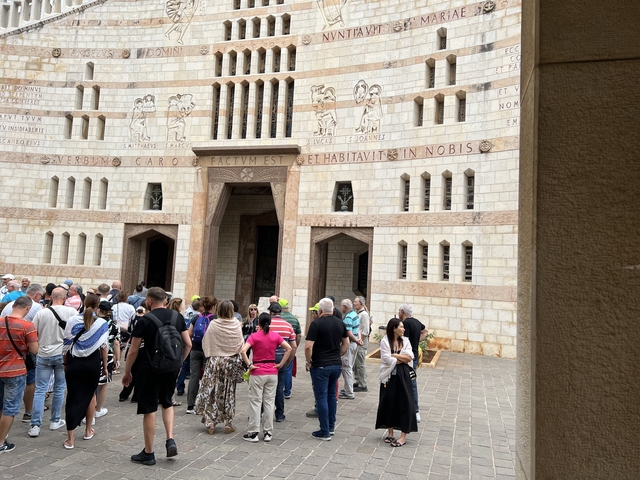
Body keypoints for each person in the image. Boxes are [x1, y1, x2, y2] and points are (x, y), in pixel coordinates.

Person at [122, 287, 191, 466]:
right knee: (166, 403)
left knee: (149, 408)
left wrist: (127, 371)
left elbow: (133, 351)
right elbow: (188, 344)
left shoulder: (145, 321)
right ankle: (170, 438)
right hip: (171, 368)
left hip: (149, 368)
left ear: (150, 301)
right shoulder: (178, 317)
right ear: (166, 301)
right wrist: (178, 362)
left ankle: (149, 452)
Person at [28, 287, 77, 437]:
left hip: (43, 353)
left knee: (40, 389)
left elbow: (33, 333)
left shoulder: (41, 313)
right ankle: (55, 420)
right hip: (63, 355)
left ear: (50, 297)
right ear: (64, 297)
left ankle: (35, 425)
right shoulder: (72, 312)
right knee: (60, 387)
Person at [62, 293, 108, 449]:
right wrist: (106, 368)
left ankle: (70, 439)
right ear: (98, 306)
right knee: (90, 396)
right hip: (92, 365)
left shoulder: (72, 321)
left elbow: (66, 346)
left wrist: (65, 364)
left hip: (75, 364)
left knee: (72, 398)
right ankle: (88, 430)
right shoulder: (102, 323)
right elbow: (103, 347)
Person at [240, 312, 291, 442]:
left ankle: (253, 432)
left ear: (259, 323)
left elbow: (243, 351)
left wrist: (249, 364)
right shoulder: (275, 336)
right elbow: (289, 348)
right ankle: (268, 432)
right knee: (269, 402)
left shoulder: (254, 336)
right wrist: (280, 364)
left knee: (255, 402)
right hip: (272, 371)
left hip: (257, 371)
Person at [195, 300, 244, 434]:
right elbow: (240, 344)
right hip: (230, 361)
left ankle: (211, 423)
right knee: (229, 392)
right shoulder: (235, 324)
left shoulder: (214, 324)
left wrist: (211, 353)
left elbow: (206, 341)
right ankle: (228, 423)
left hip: (215, 360)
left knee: (211, 391)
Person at [304, 298, 348, 441]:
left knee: (321, 396)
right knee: (331, 396)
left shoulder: (316, 324)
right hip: (336, 364)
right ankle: (330, 426)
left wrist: (309, 360)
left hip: (320, 365)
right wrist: (338, 354)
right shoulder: (340, 323)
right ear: (333, 310)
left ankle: (324, 431)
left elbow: (308, 346)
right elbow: (346, 343)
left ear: (320, 311)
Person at [0, 296, 39, 453]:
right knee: (10, 407)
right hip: (15, 371)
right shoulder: (27, 326)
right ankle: (1, 442)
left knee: (0, 404)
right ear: (28, 309)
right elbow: (34, 350)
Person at [375, 317, 418, 447]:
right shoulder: (385, 341)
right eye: (401, 327)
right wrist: (400, 358)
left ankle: (403, 436)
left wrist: (395, 355)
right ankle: (390, 432)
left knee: (405, 403)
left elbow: (410, 357)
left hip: (403, 376)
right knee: (389, 402)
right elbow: (386, 359)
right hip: (389, 376)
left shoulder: (406, 341)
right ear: (394, 329)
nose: (403, 329)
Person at [186, 296, 217, 414]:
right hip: (208, 350)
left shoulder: (196, 317)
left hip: (195, 349)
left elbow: (189, 333)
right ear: (213, 307)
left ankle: (190, 405)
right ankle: (204, 404)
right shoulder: (215, 319)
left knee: (194, 376)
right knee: (207, 377)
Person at [267, 302, 297, 422]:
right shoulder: (288, 325)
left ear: (270, 312)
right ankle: (279, 414)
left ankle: (262, 412)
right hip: (281, 358)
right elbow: (293, 346)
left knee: (265, 386)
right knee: (279, 386)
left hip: (267, 358)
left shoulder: (266, 325)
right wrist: (288, 360)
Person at [398, 303, 428, 423]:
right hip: (414, 356)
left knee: (410, 382)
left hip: (408, 358)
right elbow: (425, 331)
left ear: (402, 311)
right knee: (410, 382)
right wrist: (416, 341)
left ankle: (415, 410)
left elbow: (403, 341)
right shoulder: (417, 322)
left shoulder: (405, 324)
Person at [94, 301, 120, 418]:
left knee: (92, 382)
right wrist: (118, 359)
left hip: (93, 354)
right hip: (108, 355)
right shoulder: (114, 325)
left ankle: (89, 407)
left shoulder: (93, 321)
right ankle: (98, 409)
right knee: (103, 383)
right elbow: (116, 343)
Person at [339, 299, 362, 400]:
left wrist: (356, 340)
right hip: (355, 343)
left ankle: (349, 392)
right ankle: (347, 389)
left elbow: (349, 333)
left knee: (347, 368)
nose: (341, 308)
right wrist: (359, 339)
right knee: (349, 366)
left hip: (350, 344)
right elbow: (358, 329)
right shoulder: (355, 315)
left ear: (345, 307)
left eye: (341, 306)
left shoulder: (348, 317)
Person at [278, 298, 301, 399]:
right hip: (290, 348)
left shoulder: (278, 318)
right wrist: (295, 346)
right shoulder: (294, 319)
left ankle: (278, 389)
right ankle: (287, 392)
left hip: (277, 349)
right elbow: (299, 335)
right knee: (288, 369)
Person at [353, 296, 370, 392]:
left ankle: (363, 384)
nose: (354, 303)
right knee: (356, 363)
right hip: (358, 341)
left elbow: (365, 331)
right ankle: (358, 380)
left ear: (361, 303)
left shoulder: (364, 315)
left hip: (361, 342)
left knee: (360, 363)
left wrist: (359, 341)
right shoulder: (358, 314)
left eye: (356, 302)